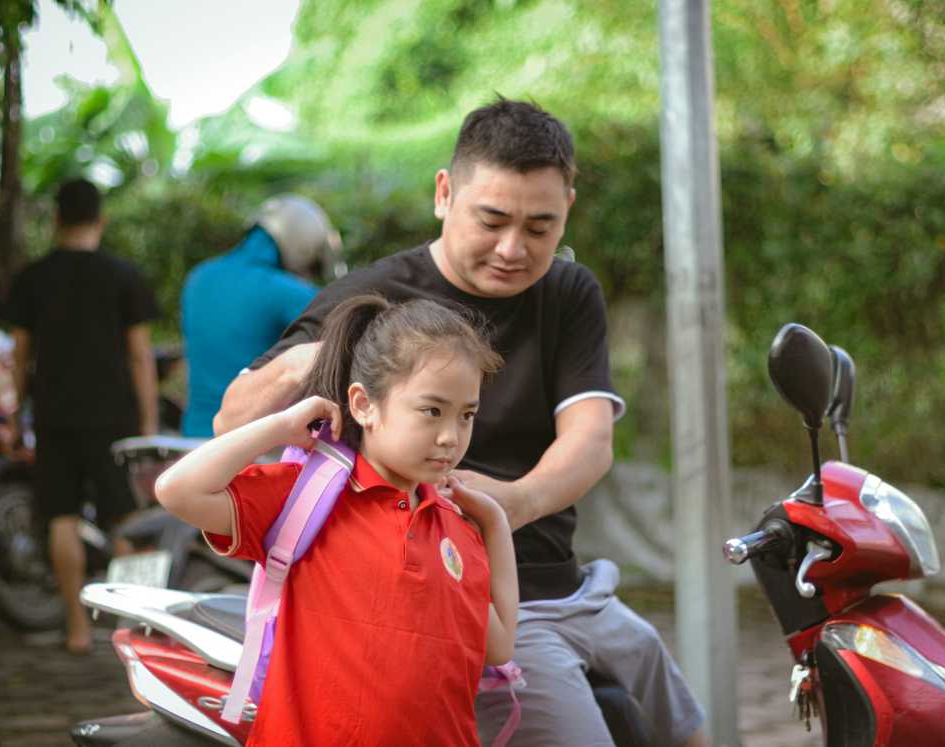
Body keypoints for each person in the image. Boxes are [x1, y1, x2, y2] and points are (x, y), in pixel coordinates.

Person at [214, 98, 709, 747]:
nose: (513, 248)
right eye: (493, 219)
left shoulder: (567, 292)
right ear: (445, 194)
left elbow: (589, 440)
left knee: (691, 727)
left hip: (575, 585)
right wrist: (312, 357)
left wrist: (504, 504)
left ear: (568, 211)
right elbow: (231, 423)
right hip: (465, 599)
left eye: (540, 226)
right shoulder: (375, 297)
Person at [156, 294, 518, 746]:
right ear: (364, 405)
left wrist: (496, 525)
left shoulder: (456, 529)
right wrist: (280, 426)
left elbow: (497, 645)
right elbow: (176, 490)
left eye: (467, 415)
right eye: (432, 411)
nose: (450, 436)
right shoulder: (310, 497)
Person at [4, 178, 160, 655]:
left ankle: (76, 629)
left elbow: (19, 357)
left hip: (54, 416)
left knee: (61, 518)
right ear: (101, 220)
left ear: (55, 220)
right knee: (126, 521)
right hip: (113, 418)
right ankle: (134, 633)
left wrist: (15, 416)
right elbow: (140, 356)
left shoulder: (33, 277)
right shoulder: (123, 275)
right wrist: (149, 421)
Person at [180, 194, 342, 437]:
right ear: (301, 246)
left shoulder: (199, 277)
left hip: (192, 440)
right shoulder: (289, 292)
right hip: (254, 447)